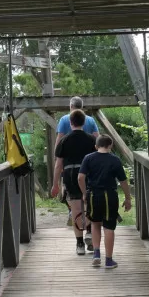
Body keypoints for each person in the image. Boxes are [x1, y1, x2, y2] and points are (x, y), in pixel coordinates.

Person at [78, 135, 132, 269]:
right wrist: (128, 198)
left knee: (95, 224)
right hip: (110, 196)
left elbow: (80, 177)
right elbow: (123, 181)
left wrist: (85, 193)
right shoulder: (115, 160)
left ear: (96, 146)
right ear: (110, 146)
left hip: (93, 195)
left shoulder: (88, 158)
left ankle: (96, 254)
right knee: (108, 227)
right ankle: (108, 260)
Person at [51, 109, 97, 255]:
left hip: (71, 176)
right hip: (89, 175)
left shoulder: (64, 141)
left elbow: (58, 165)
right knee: (89, 206)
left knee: (76, 209)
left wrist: (55, 184)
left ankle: (79, 245)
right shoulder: (92, 140)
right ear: (84, 122)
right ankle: (89, 232)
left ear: (70, 123)